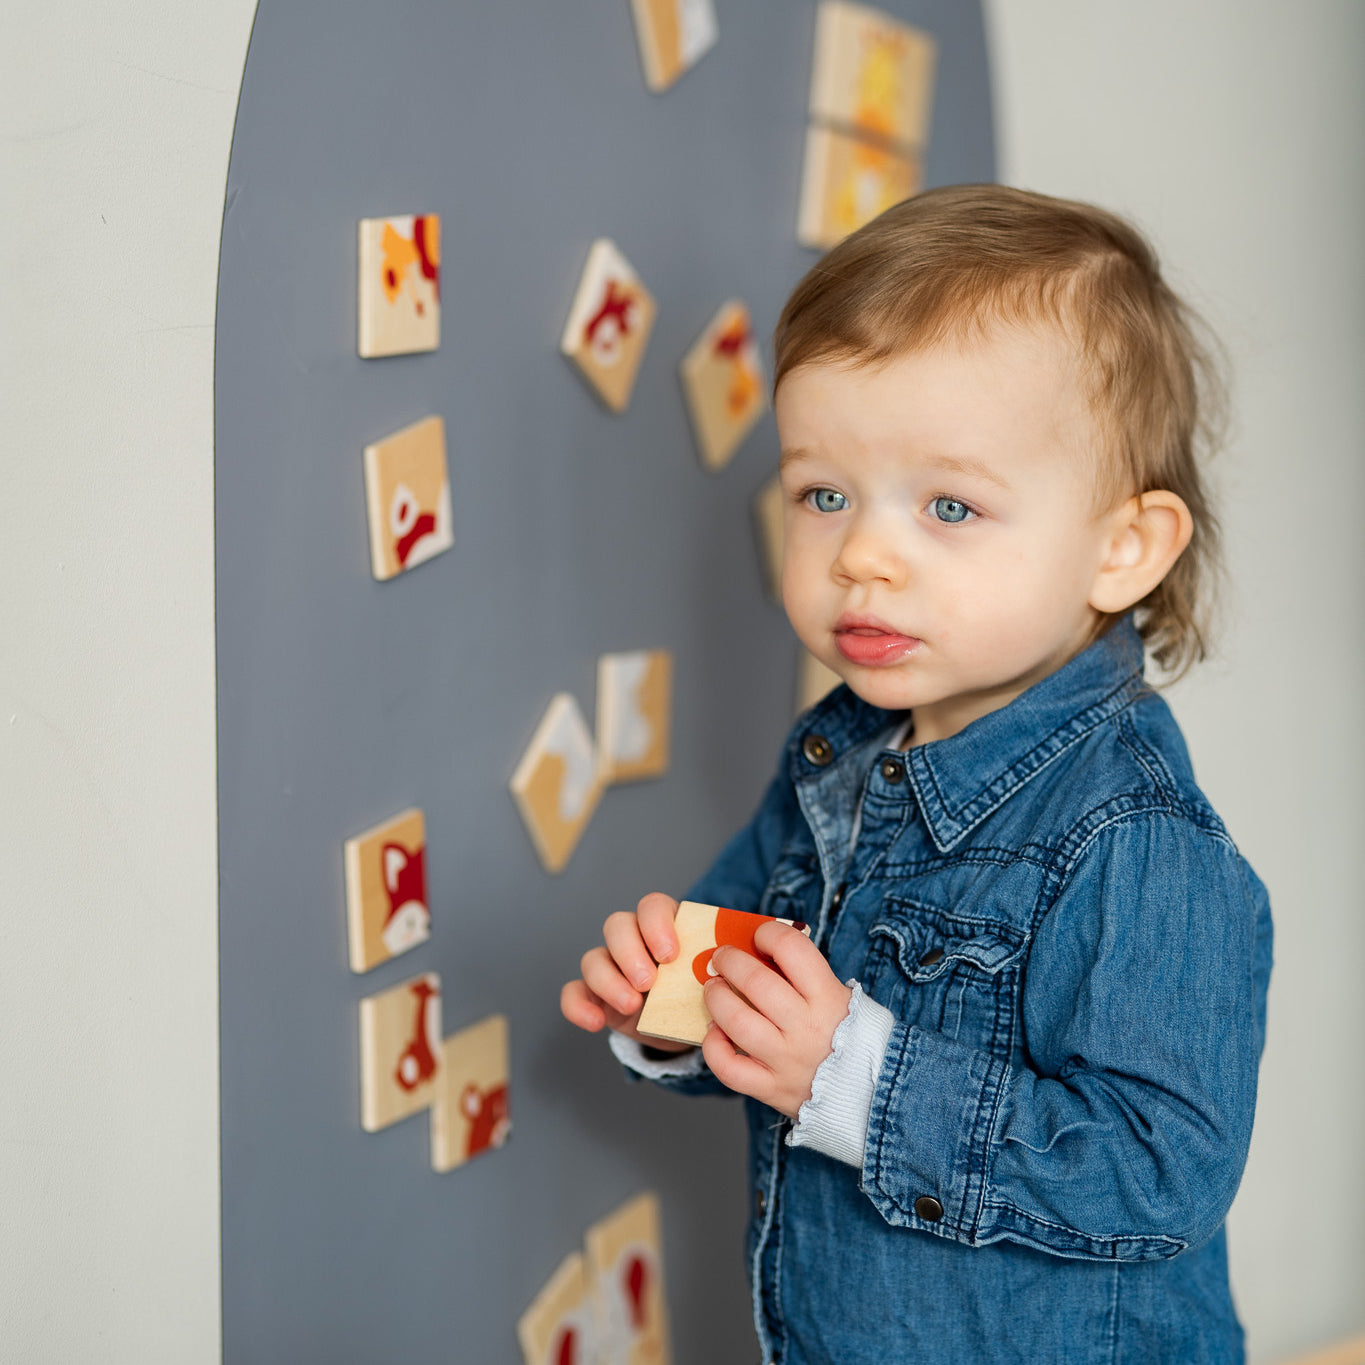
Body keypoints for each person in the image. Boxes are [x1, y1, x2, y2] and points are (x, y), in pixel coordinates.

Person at [561, 184, 1273, 1365]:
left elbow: (1162, 1173)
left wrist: (856, 1078)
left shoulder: (1134, 835)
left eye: (949, 505)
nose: (863, 556)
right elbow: (758, 987)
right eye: (824, 495)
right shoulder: (837, 758)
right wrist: (672, 1012)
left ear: (1121, 550)